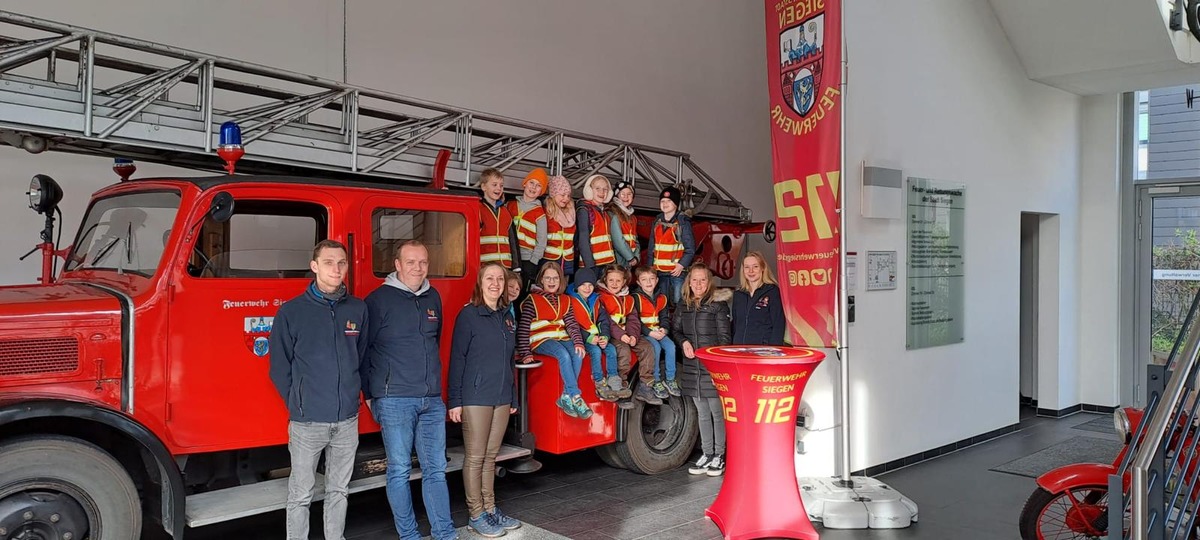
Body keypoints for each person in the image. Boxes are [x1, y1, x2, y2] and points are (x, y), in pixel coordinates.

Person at [268, 239, 368, 540]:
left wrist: (352, 396)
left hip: (347, 420)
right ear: (314, 267)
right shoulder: (292, 312)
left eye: (341, 263)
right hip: (307, 422)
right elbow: (279, 368)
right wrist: (299, 402)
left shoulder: (358, 309)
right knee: (300, 494)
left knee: (339, 490)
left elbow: (360, 357)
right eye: (328, 262)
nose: (335, 269)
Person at [363, 240, 456, 540]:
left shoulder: (433, 298)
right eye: (411, 262)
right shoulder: (377, 301)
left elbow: (435, 340)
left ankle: (444, 533)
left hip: (431, 399)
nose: (418, 268)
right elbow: (364, 351)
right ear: (397, 265)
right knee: (400, 469)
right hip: (394, 400)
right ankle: (409, 535)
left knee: (436, 470)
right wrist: (369, 394)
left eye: (423, 262)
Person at [447, 262, 522, 537]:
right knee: (476, 457)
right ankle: (476, 514)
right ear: (480, 283)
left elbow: (509, 361)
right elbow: (458, 359)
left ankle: (490, 510)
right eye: (489, 278)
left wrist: (512, 395)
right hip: (475, 396)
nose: (495, 283)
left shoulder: (507, 316)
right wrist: (454, 400)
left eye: (499, 279)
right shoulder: (468, 315)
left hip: (501, 395)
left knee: (491, 457)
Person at [672, 263, 731, 477]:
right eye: (694, 280)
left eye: (702, 280)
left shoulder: (718, 305)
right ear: (688, 282)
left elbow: (725, 340)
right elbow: (676, 330)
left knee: (717, 412)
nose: (698, 284)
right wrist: (683, 342)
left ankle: (719, 455)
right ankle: (707, 454)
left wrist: (718, 369)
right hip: (691, 367)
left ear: (709, 282)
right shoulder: (683, 304)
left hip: (712, 367)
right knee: (702, 413)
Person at [516, 262, 591, 419]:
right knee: (563, 355)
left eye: (555, 278)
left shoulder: (565, 300)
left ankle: (565, 396)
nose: (551, 281)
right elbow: (523, 328)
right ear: (541, 280)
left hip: (561, 338)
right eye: (548, 278)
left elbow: (571, 324)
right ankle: (575, 396)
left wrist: (578, 342)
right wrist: (525, 353)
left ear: (561, 280)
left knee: (578, 353)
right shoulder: (532, 299)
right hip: (540, 340)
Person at [597, 264, 660, 406]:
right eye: (611, 280)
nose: (614, 284)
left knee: (647, 348)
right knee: (623, 350)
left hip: (628, 334)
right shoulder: (601, 297)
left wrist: (633, 336)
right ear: (605, 280)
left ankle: (645, 387)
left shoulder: (629, 299)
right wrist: (621, 336)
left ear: (624, 281)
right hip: (611, 335)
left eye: (618, 281)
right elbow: (605, 320)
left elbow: (633, 319)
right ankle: (621, 389)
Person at [566, 267, 624, 402]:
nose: (587, 288)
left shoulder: (596, 300)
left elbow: (603, 321)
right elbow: (571, 325)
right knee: (596, 352)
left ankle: (614, 379)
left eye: (591, 285)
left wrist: (604, 336)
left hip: (597, 337)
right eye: (583, 285)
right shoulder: (569, 301)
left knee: (610, 349)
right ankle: (599, 382)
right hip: (581, 339)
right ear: (577, 285)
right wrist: (588, 338)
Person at [632, 265, 680, 399]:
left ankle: (670, 379)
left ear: (657, 280)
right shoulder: (635, 298)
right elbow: (634, 321)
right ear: (638, 282)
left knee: (671, 347)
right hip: (644, 333)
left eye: (651, 279)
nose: (648, 282)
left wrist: (664, 329)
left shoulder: (662, 298)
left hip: (658, 331)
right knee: (656, 348)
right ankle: (656, 380)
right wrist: (649, 332)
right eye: (644, 279)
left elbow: (664, 317)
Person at [646, 186, 695, 304]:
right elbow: (651, 248)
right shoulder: (657, 221)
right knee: (662, 303)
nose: (665, 204)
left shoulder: (682, 222)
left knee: (680, 302)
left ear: (676, 204)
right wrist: (650, 268)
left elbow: (690, 248)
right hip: (659, 271)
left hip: (676, 272)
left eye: (669, 201)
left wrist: (681, 265)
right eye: (662, 201)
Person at [732, 251, 787, 346]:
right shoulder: (738, 294)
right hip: (739, 350)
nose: (751, 271)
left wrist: (773, 351)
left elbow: (778, 325)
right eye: (747, 267)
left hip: (763, 351)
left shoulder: (772, 292)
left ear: (762, 268)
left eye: (755, 266)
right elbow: (735, 325)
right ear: (743, 270)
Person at [507, 168, 549, 286]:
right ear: (525, 183)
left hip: (527, 259)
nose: (533, 187)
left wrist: (533, 261)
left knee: (521, 290)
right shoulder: (510, 205)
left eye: (538, 185)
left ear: (541, 191)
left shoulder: (539, 213)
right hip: (509, 255)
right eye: (531, 182)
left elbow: (542, 240)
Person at [478, 167, 521, 271]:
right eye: (494, 185)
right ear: (483, 186)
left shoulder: (506, 212)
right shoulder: (478, 209)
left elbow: (513, 242)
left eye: (501, 185)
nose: (498, 188)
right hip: (485, 267)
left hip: (506, 267)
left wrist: (516, 267)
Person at [575, 174, 618, 276]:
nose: (602, 192)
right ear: (589, 191)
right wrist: (590, 266)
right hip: (593, 266)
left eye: (605, 189)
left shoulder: (604, 212)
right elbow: (583, 240)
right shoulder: (584, 210)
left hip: (607, 264)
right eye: (597, 188)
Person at [541, 175, 577, 280]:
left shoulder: (572, 212)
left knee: (563, 288)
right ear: (553, 194)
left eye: (568, 195)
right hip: (549, 258)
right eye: (562, 195)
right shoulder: (546, 212)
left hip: (567, 259)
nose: (566, 198)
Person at [610, 180, 641, 268]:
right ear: (617, 196)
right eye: (622, 194)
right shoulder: (613, 213)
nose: (626, 197)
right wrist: (630, 257)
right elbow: (618, 240)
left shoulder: (632, 217)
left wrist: (636, 257)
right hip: (618, 261)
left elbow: (636, 240)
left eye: (629, 194)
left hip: (628, 262)